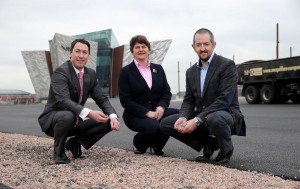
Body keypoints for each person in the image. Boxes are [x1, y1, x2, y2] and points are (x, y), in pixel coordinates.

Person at [160, 28, 246, 164]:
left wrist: (196, 120)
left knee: (214, 119)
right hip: (202, 116)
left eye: (206, 44)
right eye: (199, 45)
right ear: (193, 47)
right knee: (166, 124)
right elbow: (188, 100)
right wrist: (183, 117)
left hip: (225, 114)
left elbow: (224, 100)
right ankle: (210, 143)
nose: (203, 48)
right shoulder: (190, 72)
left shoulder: (227, 65)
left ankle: (226, 151)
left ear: (213, 45)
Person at [38, 39, 120, 164]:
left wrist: (113, 116)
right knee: (68, 115)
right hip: (54, 121)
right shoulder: (61, 72)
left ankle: (74, 143)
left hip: (75, 118)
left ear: (88, 56)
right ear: (70, 53)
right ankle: (58, 152)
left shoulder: (90, 74)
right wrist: (89, 113)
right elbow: (63, 101)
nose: (81, 55)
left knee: (109, 120)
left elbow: (101, 98)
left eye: (84, 52)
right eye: (77, 51)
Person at [118, 35, 179, 155]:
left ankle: (157, 145)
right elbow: (125, 100)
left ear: (148, 50)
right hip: (135, 115)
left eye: (144, 46)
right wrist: (147, 113)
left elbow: (166, 92)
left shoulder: (158, 69)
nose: (141, 49)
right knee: (156, 126)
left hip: (157, 111)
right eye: (137, 47)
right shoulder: (125, 72)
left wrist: (161, 106)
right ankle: (138, 143)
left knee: (176, 115)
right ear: (132, 51)